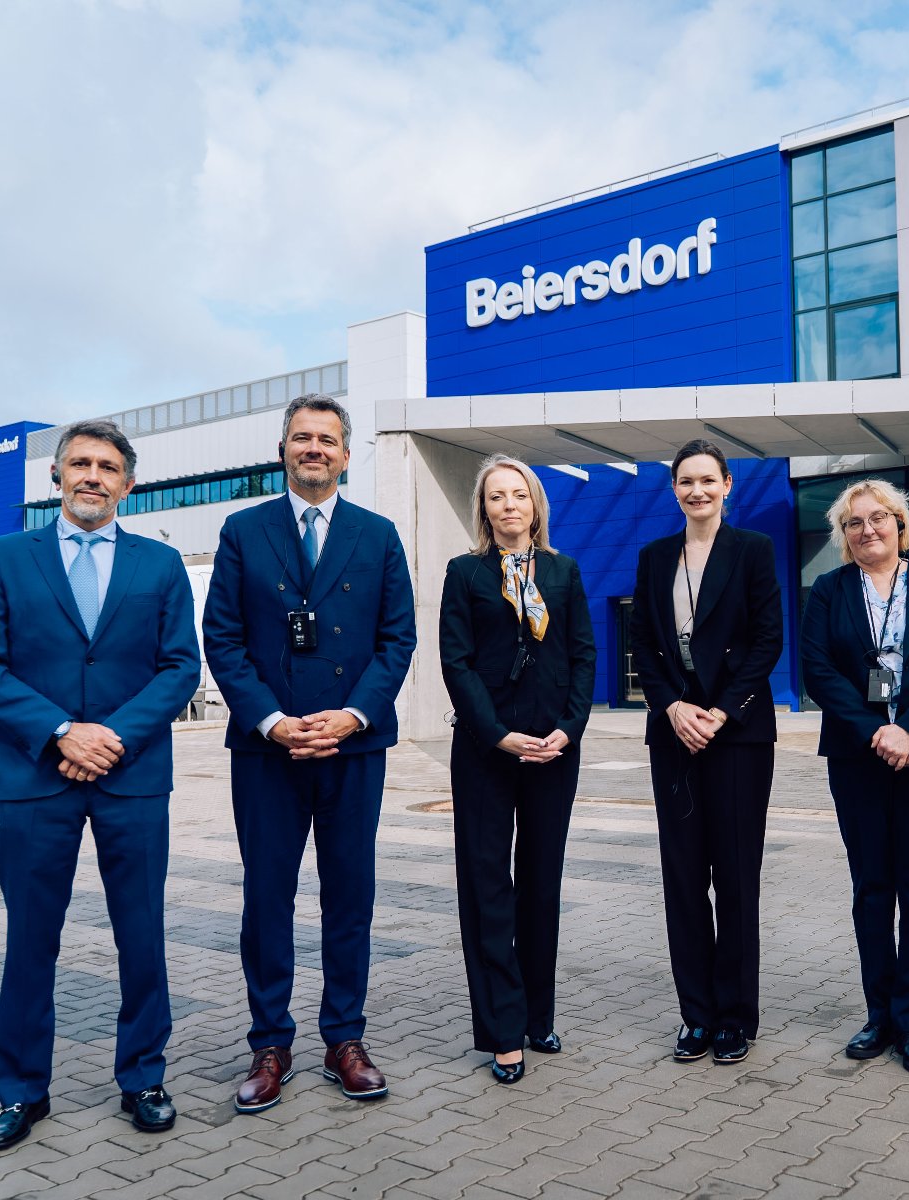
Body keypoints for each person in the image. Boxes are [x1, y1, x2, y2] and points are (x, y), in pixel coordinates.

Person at [0, 419, 199, 1151]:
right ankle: (21, 1090)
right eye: (80, 464)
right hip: (35, 775)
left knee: (141, 935)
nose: (92, 476)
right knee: (31, 938)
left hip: (131, 777)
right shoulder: (6, 557)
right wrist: (64, 730)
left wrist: (111, 736)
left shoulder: (159, 566)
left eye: (107, 466)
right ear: (57, 477)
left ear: (128, 482)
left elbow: (180, 667)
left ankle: (144, 1077)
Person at [202, 393, 416, 1114]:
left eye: (327, 439)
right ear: (284, 450)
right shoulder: (242, 531)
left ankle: (344, 1038)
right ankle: (271, 1041)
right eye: (302, 438)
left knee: (349, 896)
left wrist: (353, 715)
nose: (314, 448)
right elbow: (223, 639)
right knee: (268, 897)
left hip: (353, 746)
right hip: (269, 751)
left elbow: (397, 641)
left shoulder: (379, 535)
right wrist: (270, 719)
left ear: (347, 454)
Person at [800, 478, 909, 1076]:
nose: (867, 529)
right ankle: (879, 1013)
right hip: (858, 756)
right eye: (854, 523)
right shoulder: (828, 590)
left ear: (901, 525)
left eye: (879, 518)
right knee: (872, 886)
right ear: (842, 535)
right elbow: (818, 672)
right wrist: (875, 729)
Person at [440, 454, 596, 1085]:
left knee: (540, 883)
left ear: (535, 505)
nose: (509, 505)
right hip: (486, 749)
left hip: (554, 748)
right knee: (486, 887)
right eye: (496, 496)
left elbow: (584, 655)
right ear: (484, 508)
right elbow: (458, 663)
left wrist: (570, 727)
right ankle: (503, 1030)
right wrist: (499, 734)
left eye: (519, 494)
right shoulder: (465, 573)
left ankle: (536, 1013)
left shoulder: (564, 571)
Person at [629, 439, 783, 1065]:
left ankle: (735, 1017)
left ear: (727, 486)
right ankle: (695, 1015)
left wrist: (719, 711)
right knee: (684, 879)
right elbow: (643, 640)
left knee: (736, 877)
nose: (697, 491)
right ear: (674, 490)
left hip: (738, 734)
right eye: (686, 482)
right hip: (675, 735)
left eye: (708, 481)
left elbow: (767, 640)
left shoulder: (753, 550)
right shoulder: (653, 556)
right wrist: (670, 707)